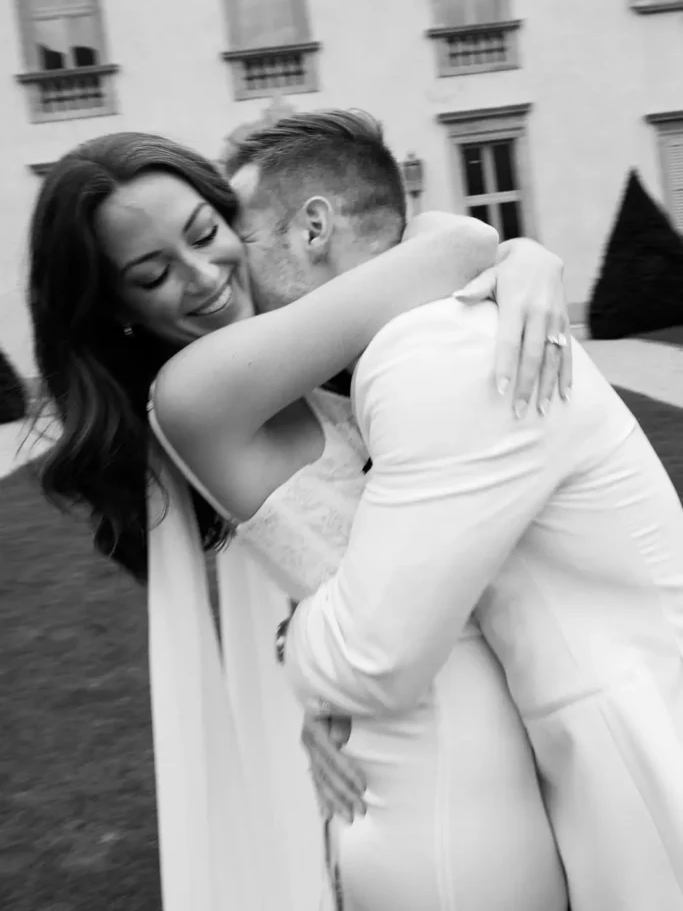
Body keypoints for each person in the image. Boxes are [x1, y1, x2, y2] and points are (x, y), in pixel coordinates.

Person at [28, 121, 571, 911]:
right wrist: (521, 257)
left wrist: (523, 261)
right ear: (117, 312)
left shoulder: (310, 357)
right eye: (152, 274)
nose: (202, 275)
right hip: (440, 773)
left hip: (486, 731)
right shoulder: (194, 392)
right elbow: (450, 248)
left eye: (206, 232)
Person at [153, 111, 683, 911]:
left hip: (640, 766)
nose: (229, 276)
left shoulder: (430, 354)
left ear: (314, 227)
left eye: (240, 237)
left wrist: (302, 652)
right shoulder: (430, 333)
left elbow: (377, 657)